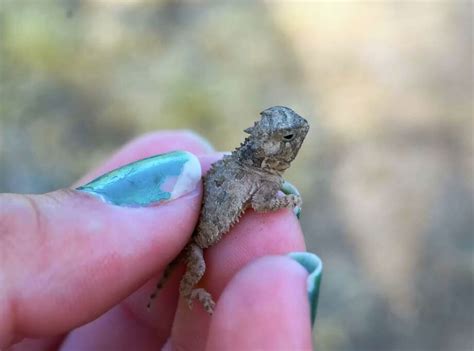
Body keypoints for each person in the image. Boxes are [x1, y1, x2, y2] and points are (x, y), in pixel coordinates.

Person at [0, 131, 321, 350]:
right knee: (197, 267)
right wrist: (287, 202)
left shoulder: (252, 173)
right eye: (288, 137)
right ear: (269, 146)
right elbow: (264, 204)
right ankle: (189, 289)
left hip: (192, 228)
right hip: (191, 241)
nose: (296, 137)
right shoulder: (254, 176)